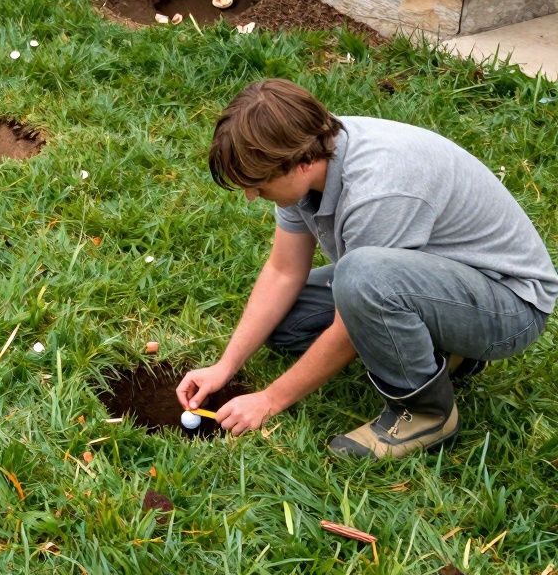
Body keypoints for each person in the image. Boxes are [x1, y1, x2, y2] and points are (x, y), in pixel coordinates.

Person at [177, 79, 555, 458]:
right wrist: (225, 366)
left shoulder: (377, 189)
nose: (251, 195)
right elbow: (283, 271)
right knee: (290, 321)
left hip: (507, 306)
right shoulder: (298, 153)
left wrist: (270, 400)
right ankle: (441, 351)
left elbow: (348, 322)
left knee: (361, 276)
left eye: (259, 184)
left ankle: (426, 413)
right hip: (439, 283)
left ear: (303, 161)